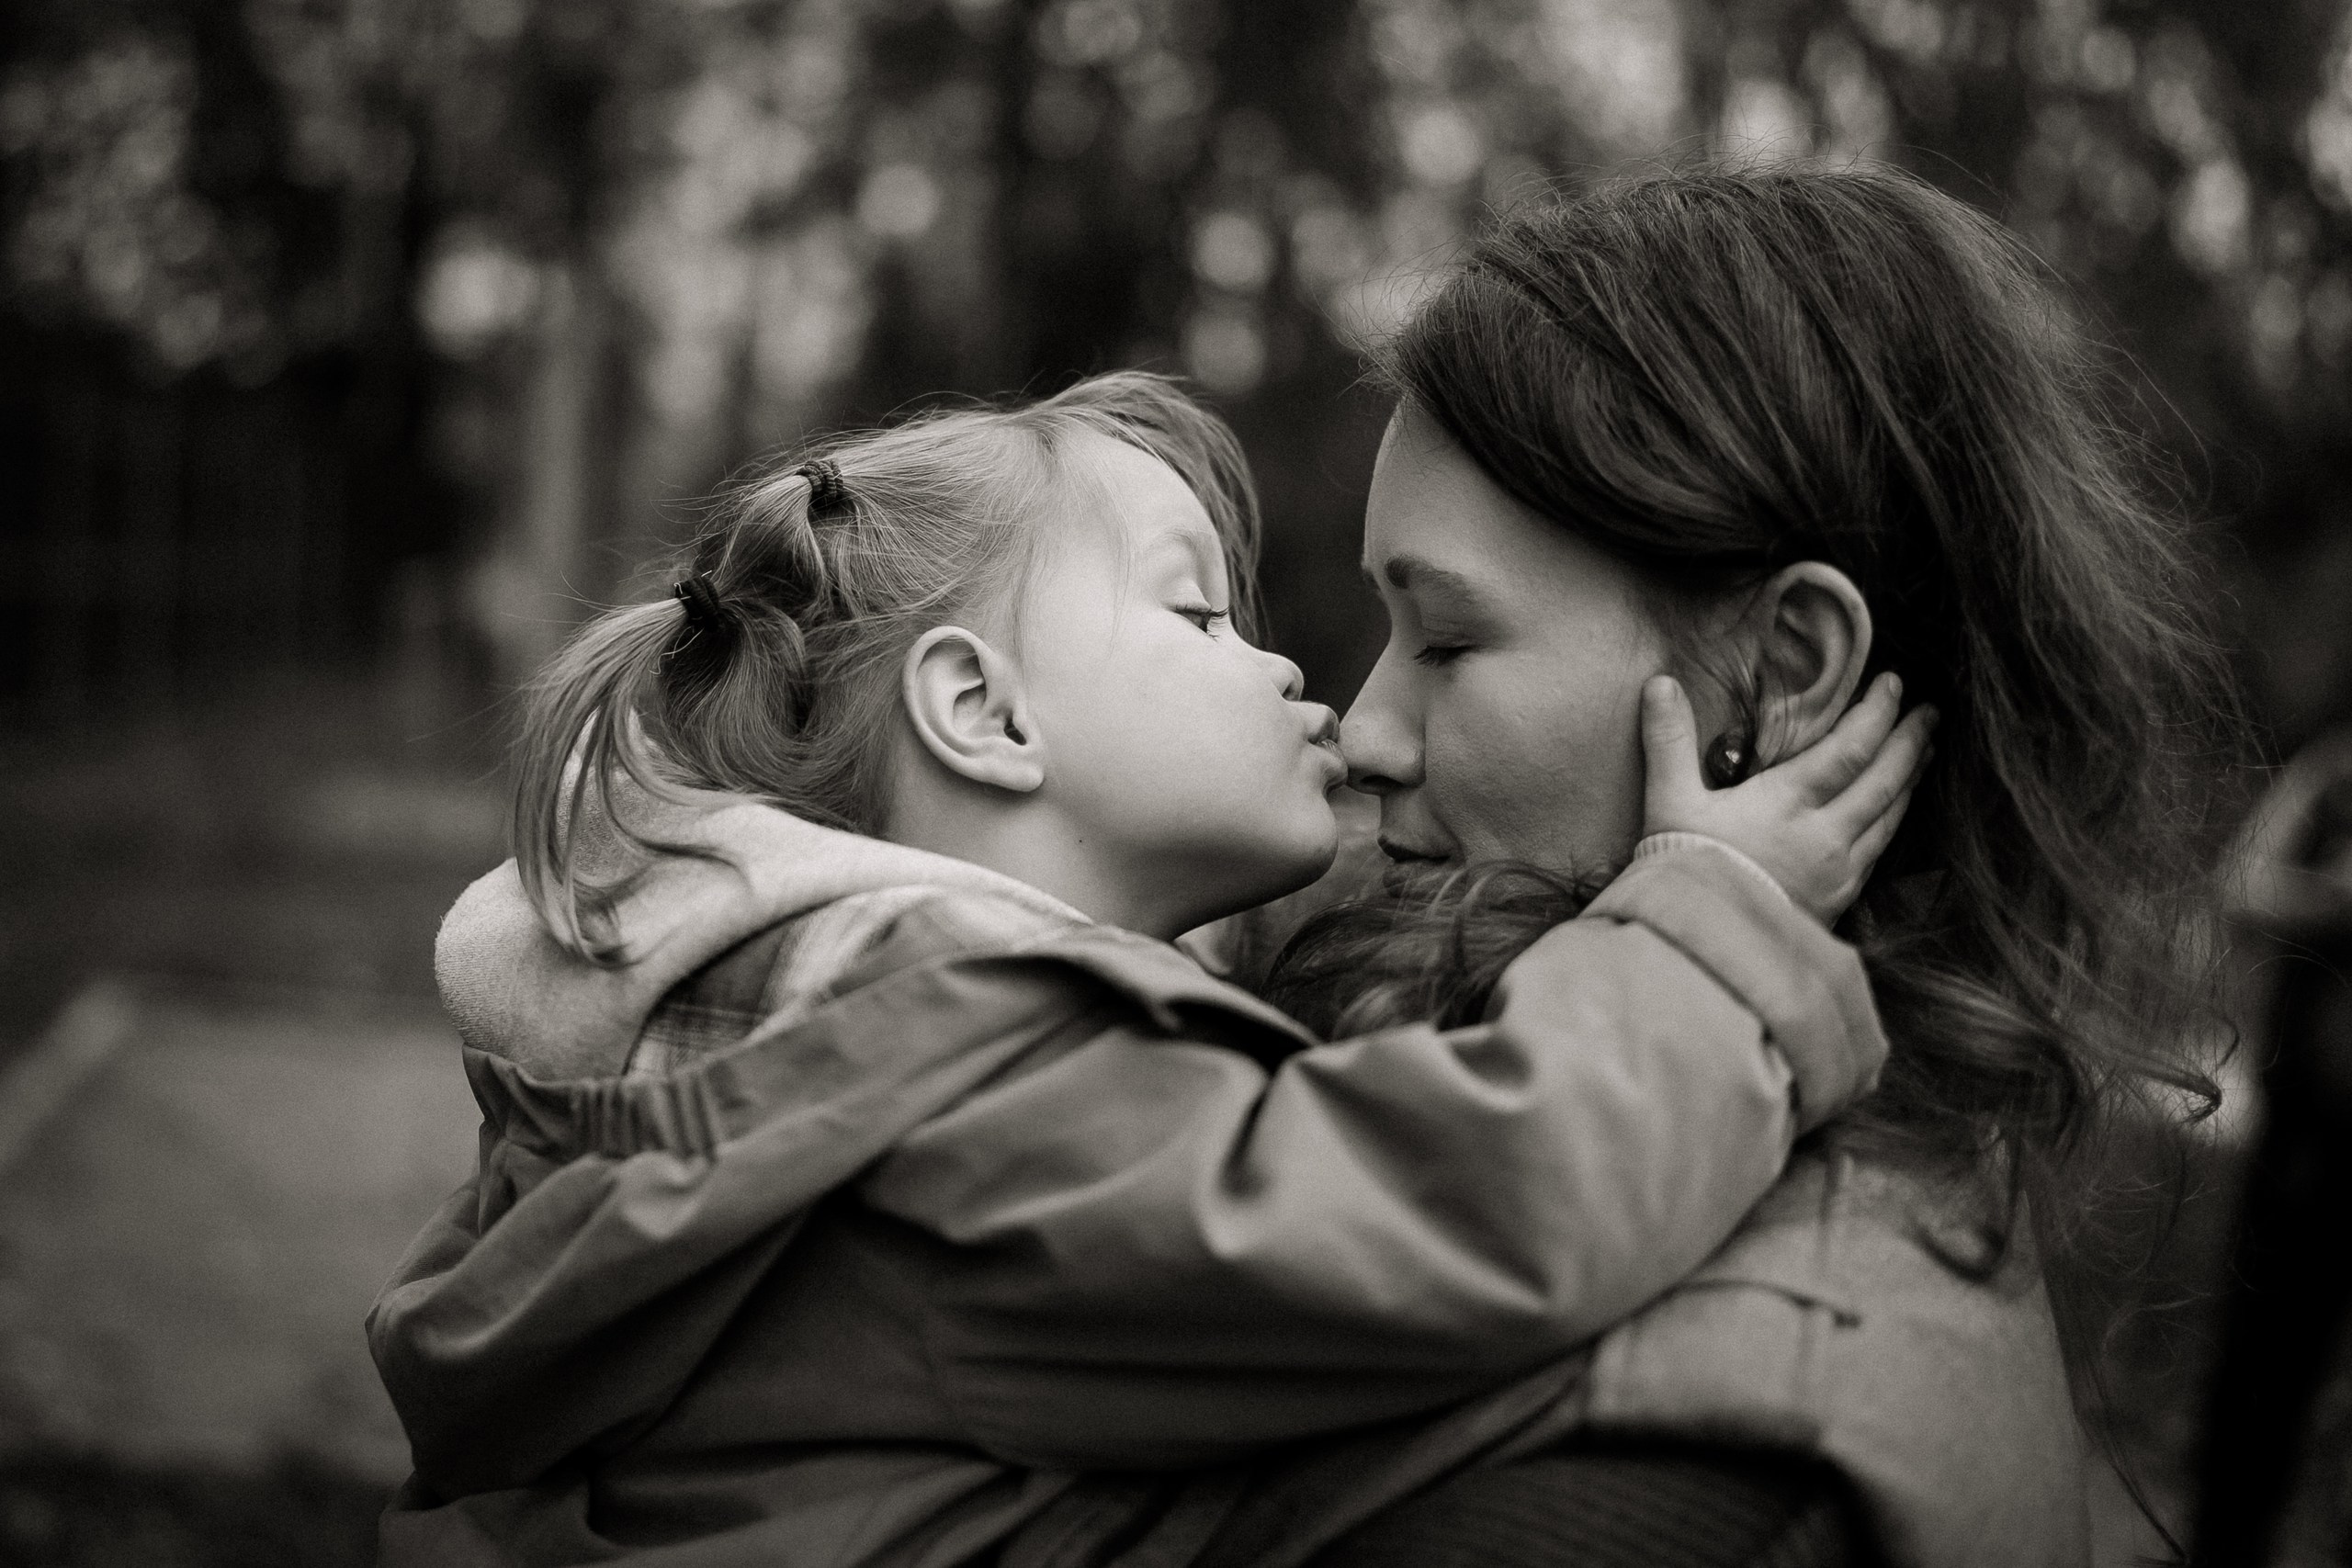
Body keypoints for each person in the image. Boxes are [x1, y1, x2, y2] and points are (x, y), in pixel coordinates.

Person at [366, 371, 1929, 1565]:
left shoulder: (811, 1041)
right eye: (1196, 611)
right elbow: (1461, 1213)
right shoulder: (982, 1097)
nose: (1289, 673)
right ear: (983, 716)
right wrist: (1717, 916)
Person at [1227, 163, 2244, 1568]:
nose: (1366, 730)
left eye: (1449, 641)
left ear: (1786, 670)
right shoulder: (1867, 1149)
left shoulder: (1646, 1488)